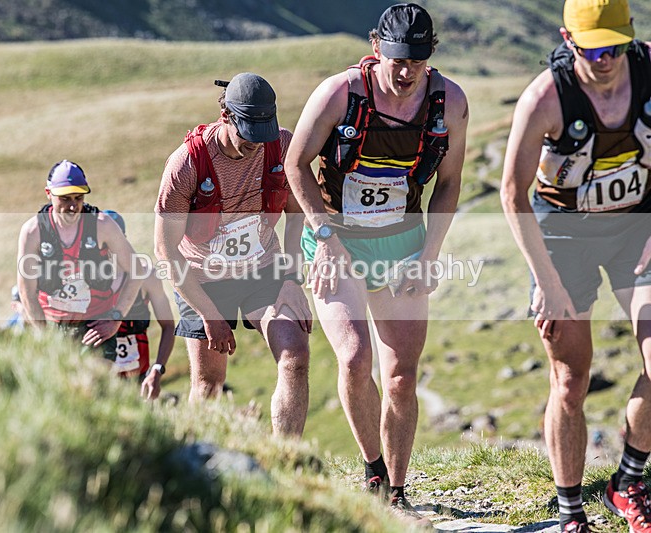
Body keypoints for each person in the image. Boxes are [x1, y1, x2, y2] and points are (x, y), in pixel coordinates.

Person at [284, 3, 468, 519]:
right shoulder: (340, 93)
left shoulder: (449, 101)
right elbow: (295, 164)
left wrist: (430, 254)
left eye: (416, 60)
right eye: (395, 60)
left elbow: (450, 182)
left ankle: (397, 490)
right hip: (336, 239)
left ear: (430, 55)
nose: (405, 72)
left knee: (401, 377)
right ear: (375, 47)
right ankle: (372, 468)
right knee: (353, 357)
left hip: (401, 242)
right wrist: (324, 235)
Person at [500, 0, 651, 530]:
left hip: (637, 228)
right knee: (571, 380)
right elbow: (512, 194)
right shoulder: (545, 97)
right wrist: (546, 282)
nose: (605, 59)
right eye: (592, 48)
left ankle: (627, 481)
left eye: (616, 46)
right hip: (563, 238)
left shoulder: (649, 69)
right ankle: (569, 511)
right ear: (568, 39)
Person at [154, 72, 312, 437]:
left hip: (263, 270)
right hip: (202, 280)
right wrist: (210, 315)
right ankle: (196, 464)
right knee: (209, 382)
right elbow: (165, 250)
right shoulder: (186, 164)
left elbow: (296, 213)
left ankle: (285, 460)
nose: (256, 145)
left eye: (263, 136)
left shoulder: (281, 146)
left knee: (295, 358)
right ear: (226, 116)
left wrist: (290, 278)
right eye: (248, 136)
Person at [17, 160, 147, 368]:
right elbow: (26, 292)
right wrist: (46, 338)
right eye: (65, 198)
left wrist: (115, 318)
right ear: (48, 193)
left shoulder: (102, 225)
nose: (72, 206)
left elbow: (137, 270)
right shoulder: (33, 232)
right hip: (52, 325)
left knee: (96, 388)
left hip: (96, 325)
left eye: (78, 198)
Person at [103, 210, 176, 400]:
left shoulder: (147, 276)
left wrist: (157, 370)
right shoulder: (85, 278)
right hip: (99, 380)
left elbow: (168, 326)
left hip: (138, 380)